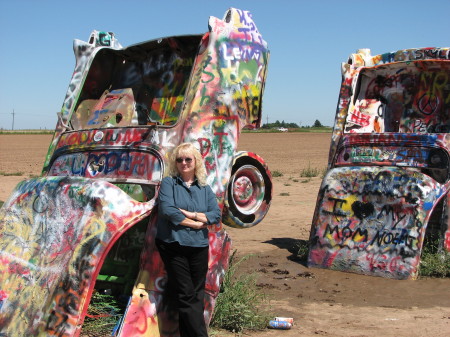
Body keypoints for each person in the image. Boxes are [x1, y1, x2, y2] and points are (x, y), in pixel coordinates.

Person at [156, 142, 221, 337]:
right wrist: (197, 223)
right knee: (186, 294)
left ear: (196, 162)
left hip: (198, 246)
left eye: (188, 159)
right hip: (173, 244)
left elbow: (215, 214)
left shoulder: (204, 187)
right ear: (175, 163)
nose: (183, 163)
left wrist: (190, 214)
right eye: (179, 159)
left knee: (196, 295)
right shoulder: (169, 183)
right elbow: (168, 210)